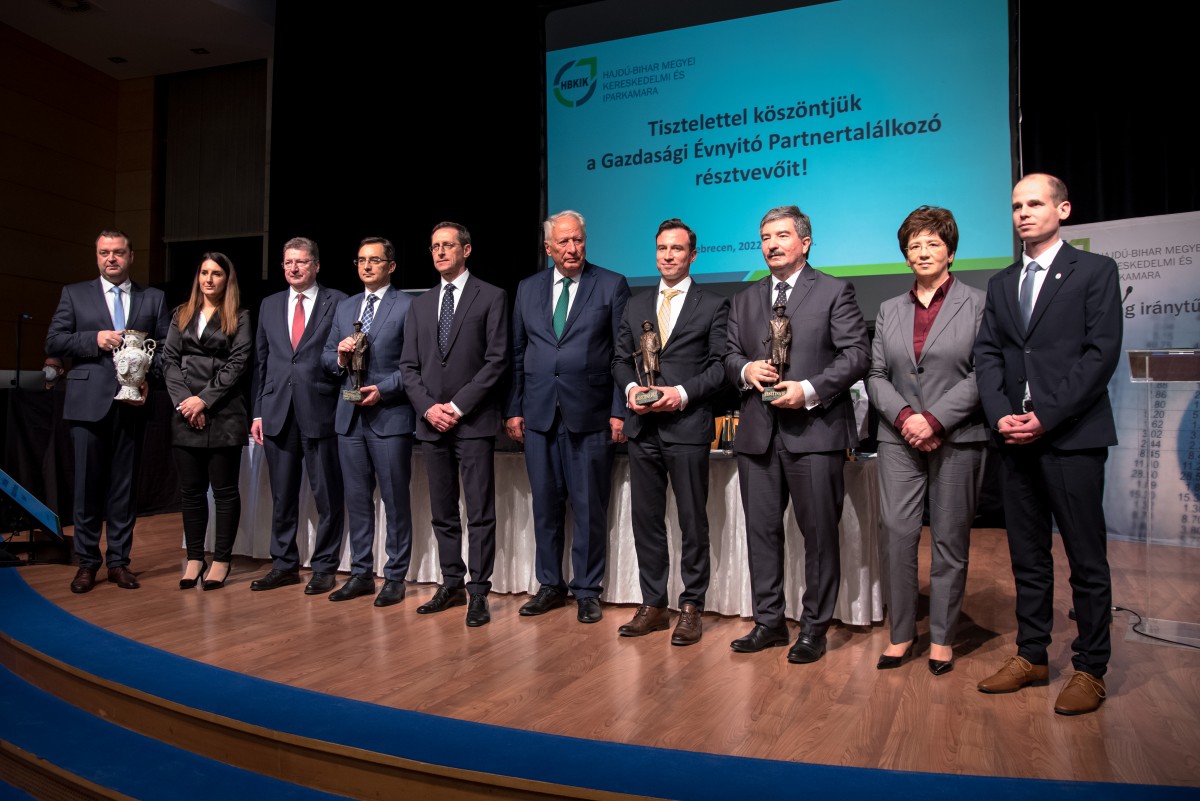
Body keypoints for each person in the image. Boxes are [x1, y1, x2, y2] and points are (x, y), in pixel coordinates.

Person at [973, 173, 1122, 715]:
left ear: (1063, 210)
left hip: (1072, 437)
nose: (1023, 213)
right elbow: (988, 355)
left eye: (1034, 203)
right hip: (1015, 440)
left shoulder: (1096, 271)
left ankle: (1090, 668)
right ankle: (1031, 656)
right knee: (1027, 557)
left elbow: (1100, 354)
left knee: (1086, 558)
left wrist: (1047, 416)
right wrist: (1001, 416)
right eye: (1016, 205)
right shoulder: (1001, 282)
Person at [723, 205, 869, 663]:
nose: (772, 244)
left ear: (805, 242)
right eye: (766, 237)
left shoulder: (833, 290)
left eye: (782, 235)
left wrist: (807, 390)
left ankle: (813, 629)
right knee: (761, 534)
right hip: (758, 437)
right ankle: (768, 622)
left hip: (815, 431)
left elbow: (856, 354)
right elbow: (728, 355)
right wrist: (746, 369)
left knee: (819, 536)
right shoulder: (744, 299)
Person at [866, 207, 987, 674]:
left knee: (950, 539)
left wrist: (934, 420)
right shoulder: (889, 309)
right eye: (914, 245)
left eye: (932, 243)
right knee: (897, 534)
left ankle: (942, 638)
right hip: (899, 437)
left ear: (950, 252)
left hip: (959, 435)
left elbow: (984, 373)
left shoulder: (978, 304)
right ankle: (901, 634)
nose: (922, 252)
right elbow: (876, 374)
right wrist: (906, 419)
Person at [505, 210, 631, 623]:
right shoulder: (527, 289)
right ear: (548, 248)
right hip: (539, 414)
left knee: (589, 507)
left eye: (578, 240)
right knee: (545, 506)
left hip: (591, 415)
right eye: (563, 242)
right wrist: (514, 407)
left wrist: (619, 410)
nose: (572, 248)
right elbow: (518, 353)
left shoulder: (611, 284)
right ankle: (549, 585)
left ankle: (587, 590)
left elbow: (622, 355)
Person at [611, 218, 729, 645]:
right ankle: (654, 604)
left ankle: (691, 606)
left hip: (687, 425)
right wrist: (630, 389)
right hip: (643, 428)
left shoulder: (714, 304)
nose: (668, 255)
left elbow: (720, 367)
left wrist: (680, 394)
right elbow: (620, 360)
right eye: (662, 248)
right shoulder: (635, 304)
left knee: (692, 521)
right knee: (646, 520)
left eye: (677, 248)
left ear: (692, 255)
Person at [46, 230, 170, 593]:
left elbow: (166, 349)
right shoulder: (74, 294)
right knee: (86, 488)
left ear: (131, 256)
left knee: (124, 489)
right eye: (104, 253)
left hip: (132, 404)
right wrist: (94, 339)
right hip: (87, 404)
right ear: (97, 256)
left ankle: (118, 562)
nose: (111, 258)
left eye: (117, 252)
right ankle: (87, 563)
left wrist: (148, 380)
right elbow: (54, 341)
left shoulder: (153, 298)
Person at [400, 222, 509, 626]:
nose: (441, 252)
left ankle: (478, 591)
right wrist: (429, 408)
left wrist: (458, 406)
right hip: (432, 424)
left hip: (473, 421)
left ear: (467, 249)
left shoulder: (492, 296)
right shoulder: (420, 304)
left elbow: (497, 360)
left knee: (479, 512)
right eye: (435, 247)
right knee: (443, 511)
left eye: (448, 245)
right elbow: (408, 367)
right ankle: (451, 582)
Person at [249, 238, 347, 594]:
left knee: (327, 496)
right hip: (277, 412)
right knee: (282, 497)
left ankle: (324, 566)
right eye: (288, 262)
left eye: (301, 262)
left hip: (321, 410)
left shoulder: (338, 301)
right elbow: (262, 362)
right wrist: (258, 412)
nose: (293, 268)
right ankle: (284, 565)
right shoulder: (270, 304)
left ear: (316, 266)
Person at [322, 237, 415, 606]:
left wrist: (385, 389)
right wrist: (340, 356)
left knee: (395, 501)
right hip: (349, 417)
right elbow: (325, 358)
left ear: (391, 266)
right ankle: (361, 573)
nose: (367, 266)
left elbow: (415, 365)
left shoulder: (408, 305)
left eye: (375, 260)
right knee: (358, 501)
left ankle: (395, 577)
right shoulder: (345, 307)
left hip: (389, 416)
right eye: (361, 260)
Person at [162, 253, 252, 591]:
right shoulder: (181, 313)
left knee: (225, 492)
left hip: (224, 412)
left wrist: (204, 400)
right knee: (191, 492)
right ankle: (195, 558)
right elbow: (169, 360)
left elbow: (238, 363)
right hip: (185, 410)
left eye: (216, 273)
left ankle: (222, 560)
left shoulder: (240, 316)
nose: (209, 279)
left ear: (227, 279)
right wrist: (186, 402)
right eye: (204, 273)